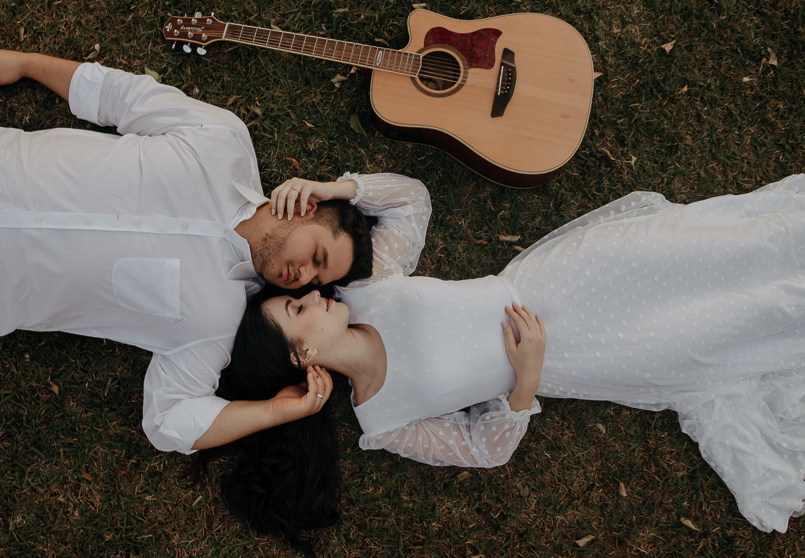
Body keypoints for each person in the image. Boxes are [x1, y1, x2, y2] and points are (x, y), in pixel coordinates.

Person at [223, 172, 805, 545]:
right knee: (731, 322)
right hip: (579, 354)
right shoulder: (385, 420)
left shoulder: (367, 288)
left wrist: (337, 190)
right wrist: (525, 381)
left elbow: (412, 200)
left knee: (715, 248)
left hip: (562, 275)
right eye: (298, 310)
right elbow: (484, 449)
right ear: (306, 358)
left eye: (299, 294)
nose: (312, 294)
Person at [0, 49, 379, 454]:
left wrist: (276, 410)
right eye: (317, 256)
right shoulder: (222, 141)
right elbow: (115, 94)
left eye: (316, 282)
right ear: (307, 205)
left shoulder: (215, 323)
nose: (304, 278)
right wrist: (26, 64)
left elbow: (169, 422)